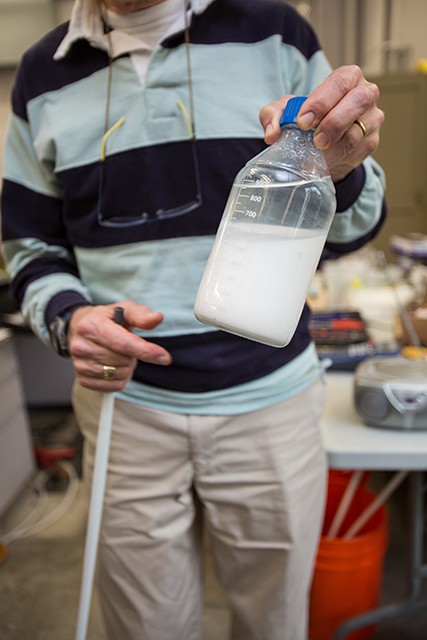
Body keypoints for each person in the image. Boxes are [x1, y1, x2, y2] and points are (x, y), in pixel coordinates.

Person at [1, 0, 386, 638]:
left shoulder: (278, 34)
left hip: (269, 404)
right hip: (127, 409)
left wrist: (337, 170)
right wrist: (69, 319)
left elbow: (351, 231)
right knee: (144, 626)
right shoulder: (42, 73)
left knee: (274, 622)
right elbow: (28, 245)